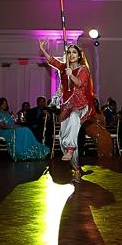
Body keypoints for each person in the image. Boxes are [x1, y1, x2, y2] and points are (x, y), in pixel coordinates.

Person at [39, 40, 95, 181]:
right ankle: (76, 168)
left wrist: (71, 74)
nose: (71, 55)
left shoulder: (83, 70)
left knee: (75, 120)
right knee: (63, 138)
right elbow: (52, 61)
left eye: (74, 52)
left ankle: (70, 148)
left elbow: (80, 83)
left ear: (79, 55)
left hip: (81, 105)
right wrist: (42, 49)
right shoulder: (64, 68)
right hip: (67, 106)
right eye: (69, 52)